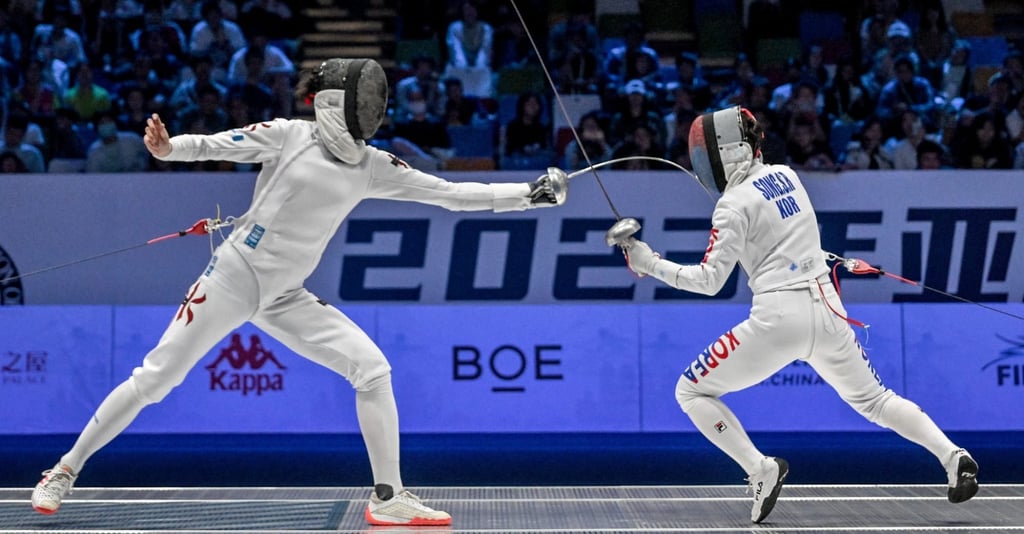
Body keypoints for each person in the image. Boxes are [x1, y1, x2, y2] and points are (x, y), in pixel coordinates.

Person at [30, 57, 568, 526]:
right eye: (366, 99)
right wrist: (170, 149)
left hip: (286, 295)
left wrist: (529, 195)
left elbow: (450, 195)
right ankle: (64, 470)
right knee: (155, 380)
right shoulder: (290, 135)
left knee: (372, 370)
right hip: (233, 277)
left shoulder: (372, 166)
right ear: (339, 102)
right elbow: (225, 143)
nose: (374, 109)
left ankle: (389, 497)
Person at [609, 106, 979, 524]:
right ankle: (953, 457)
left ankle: (760, 469)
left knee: (690, 391)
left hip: (779, 319)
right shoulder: (787, 176)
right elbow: (794, 244)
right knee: (876, 400)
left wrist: (650, 262)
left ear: (726, 153)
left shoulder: (732, 205)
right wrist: (835, 260)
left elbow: (710, 280)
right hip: (828, 310)